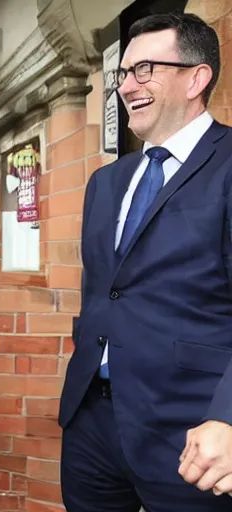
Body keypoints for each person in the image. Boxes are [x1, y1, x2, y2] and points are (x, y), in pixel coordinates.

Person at [58, 12, 232, 511]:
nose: (127, 86)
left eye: (145, 70)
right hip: (92, 424)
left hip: (193, 431)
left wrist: (228, 418)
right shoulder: (107, 182)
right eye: (123, 73)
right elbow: (105, 292)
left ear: (197, 78)